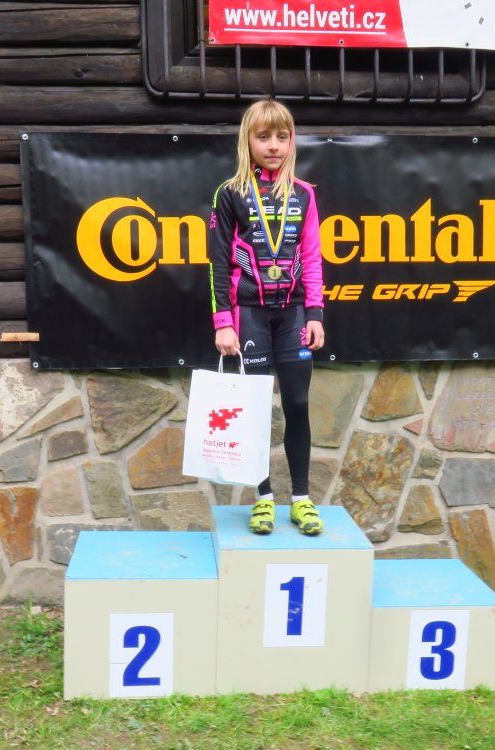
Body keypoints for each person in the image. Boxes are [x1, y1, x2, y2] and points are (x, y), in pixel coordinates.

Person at [208, 99, 325, 536]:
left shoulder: (304, 193)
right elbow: (218, 262)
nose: (273, 145)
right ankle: (263, 499)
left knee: (297, 404)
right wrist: (223, 321)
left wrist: (315, 313)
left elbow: (311, 257)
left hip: (293, 314)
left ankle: (301, 499)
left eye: (282, 136)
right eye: (263, 137)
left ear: (291, 141)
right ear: (248, 141)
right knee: (255, 411)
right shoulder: (230, 193)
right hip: (249, 315)